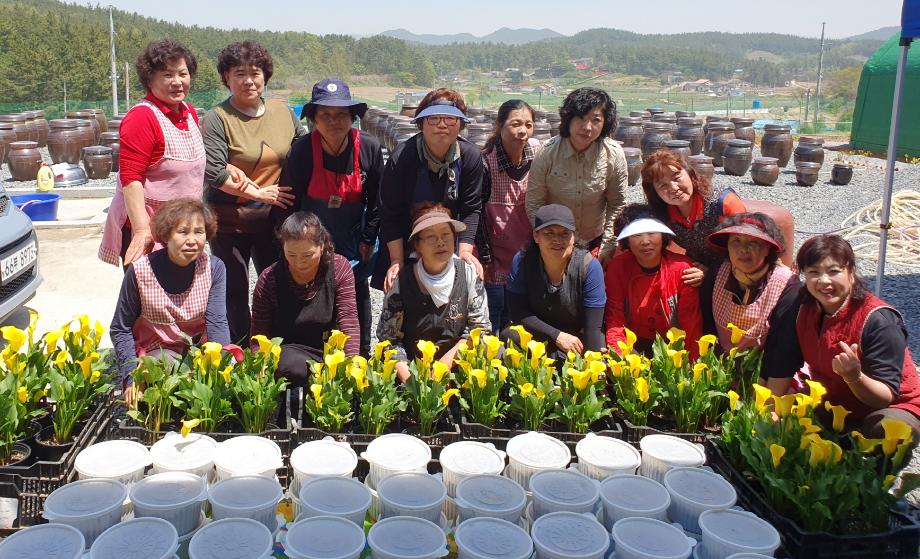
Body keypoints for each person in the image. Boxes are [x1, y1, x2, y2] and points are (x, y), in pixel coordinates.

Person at [763, 234, 920, 437]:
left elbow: (884, 397)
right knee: (788, 425)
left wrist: (854, 377)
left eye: (834, 271)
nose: (824, 281)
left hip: (889, 406)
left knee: (888, 431)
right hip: (835, 402)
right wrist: (771, 409)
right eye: (813, 272)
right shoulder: (803, 307)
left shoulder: (878, 320)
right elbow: (785, 360)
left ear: (851, 273)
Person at [203, 41, 306, 343]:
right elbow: (214, 172)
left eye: (255, 73)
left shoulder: (283, 112)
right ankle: (237, 350)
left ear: (265, 77)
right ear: (226, 78)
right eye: (239, 74)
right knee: (233, 289)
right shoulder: (217, 118)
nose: (248, 80)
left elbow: (302, 150)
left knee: (276, 284)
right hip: (230, 221)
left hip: (274, 221)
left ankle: (275, 347)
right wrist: (260, 193)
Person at [278, 78, 383, 356]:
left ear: (353, 117)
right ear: (313, 119)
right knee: (312, 293)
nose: (333, 121)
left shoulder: (369, 148)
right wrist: (297, 244)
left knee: (357, 296)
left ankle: (359, 353)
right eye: (325, 115)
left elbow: (377, 200)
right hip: (311, 238)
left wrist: (368, 236)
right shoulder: (302, 151)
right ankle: (309, 351)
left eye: (341, 115)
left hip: (352, 239)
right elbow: (289, 203)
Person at [110, 198, 230, 401]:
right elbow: (120, 328)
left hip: (196, 354)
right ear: (166, 235)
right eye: (183, 232)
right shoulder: (140, 271)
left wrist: (225, 368)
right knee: (162, 368)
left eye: (199, 232)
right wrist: (131, 376)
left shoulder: (214, 268)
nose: (192, 240)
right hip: (155, 356)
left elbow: (217, 322)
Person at [99, 39, 205, 268]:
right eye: (167, 75)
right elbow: (131, 179)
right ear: (150, 79)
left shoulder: (189, 112)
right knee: (148, 299)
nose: (177, 82)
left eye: (182, 74)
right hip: (151, 229)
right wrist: (141, 230)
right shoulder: (142, 117)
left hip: (184, 228)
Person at [378, 89, 485, 293]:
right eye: (434, 118)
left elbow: (471, 207)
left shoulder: (470, 156)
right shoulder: (402, 158)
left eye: (450, 119)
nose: (442, 125)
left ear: (461, 125)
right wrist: (397, 260)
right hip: (408, 242)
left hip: (448, 243)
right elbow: (389, 212)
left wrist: (464, 251)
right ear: (421, 124)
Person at [376, 203, 490, 382]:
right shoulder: (402, 281)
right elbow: (388, 339)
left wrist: (443, 366)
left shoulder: (468, 273)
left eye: (446, 234)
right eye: (430, 236)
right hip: (413, 368)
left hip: (457, 365)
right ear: (417, 245)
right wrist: (411, 380)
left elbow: (480, 329)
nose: (440, 242)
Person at [250, 212, 359, 386]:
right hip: (287, 352)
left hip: (327, 350)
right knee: (292, 366)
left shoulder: (339, 268)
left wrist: (352, 361)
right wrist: (260, 366)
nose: (299, 262)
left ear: (322, 245)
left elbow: (348, 319)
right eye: (291, 255)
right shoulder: (269, 278)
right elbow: (259, 333)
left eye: (307, 255)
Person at [525, 87, 627, 263]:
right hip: (555, 241)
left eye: (596, 120)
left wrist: (608, 246)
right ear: (568, 118)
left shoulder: (614, 154)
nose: (587, 127)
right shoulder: (547, 154)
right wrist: (549, 240)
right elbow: (534, 203)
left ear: (605, 123)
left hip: (595, 239)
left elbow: (617, 204)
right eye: (580, 118)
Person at [502, 204, 606, 359]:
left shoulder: (589, 266)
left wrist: (593, 366)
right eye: (549, 233)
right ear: (536, 236)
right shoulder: (522, 261)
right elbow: (519, 313)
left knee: (599, 348)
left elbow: (593, 326)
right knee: (510, 335)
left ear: (574, 237)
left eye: (565, 234)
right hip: (540, 331)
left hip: (578, 336)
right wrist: (556, 335)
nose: (557, 240)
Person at [477, 99, 543, 332]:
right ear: (499, 125)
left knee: (522, 316)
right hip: (495, 254)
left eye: (528, 124)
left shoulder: (538, 152)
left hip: (528, 253)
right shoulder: (485, 161)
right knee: (494, 314)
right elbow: (477, 213)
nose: (523, 131)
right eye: (515, 124)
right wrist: (484, 257)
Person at [605, 205, 702, 357]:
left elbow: (691, 324)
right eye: (636, 235)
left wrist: (691, 366)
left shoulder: (683, 268)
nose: (645, 241)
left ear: (663, 235)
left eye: (651, 233)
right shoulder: (617, 268)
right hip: (633, 344)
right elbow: (615, 318)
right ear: (627, 240)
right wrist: (620, 360)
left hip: (673, 346)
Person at [640, 150, 747, 286]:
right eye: (663, 185)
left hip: (736, 274)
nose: (673, 188)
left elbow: (747, 250)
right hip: (694, 270)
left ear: (690, 174)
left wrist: (711, 273)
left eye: (676, 177)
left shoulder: (724, 203)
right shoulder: (663, 213)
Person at [701, 213, 798, 353]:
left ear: (768, 249)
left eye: (753, 243)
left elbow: (783, 342)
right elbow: (707, 325)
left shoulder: (788, 285)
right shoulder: (717, 273)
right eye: (736, 241)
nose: (743, 249)